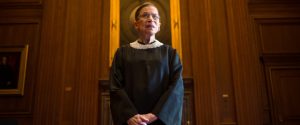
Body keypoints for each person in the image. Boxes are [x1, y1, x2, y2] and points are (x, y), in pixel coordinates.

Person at [110, 2, 184, 125]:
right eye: (145, 15)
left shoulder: (170, 53)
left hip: (160, 120)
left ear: (159, 25)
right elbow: (116, 86)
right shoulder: (122, 53)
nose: (150, 19)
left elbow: (176, 87)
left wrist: (155, 114)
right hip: (132, 121)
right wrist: (130, 115)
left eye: (155, 16)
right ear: (136, 24)